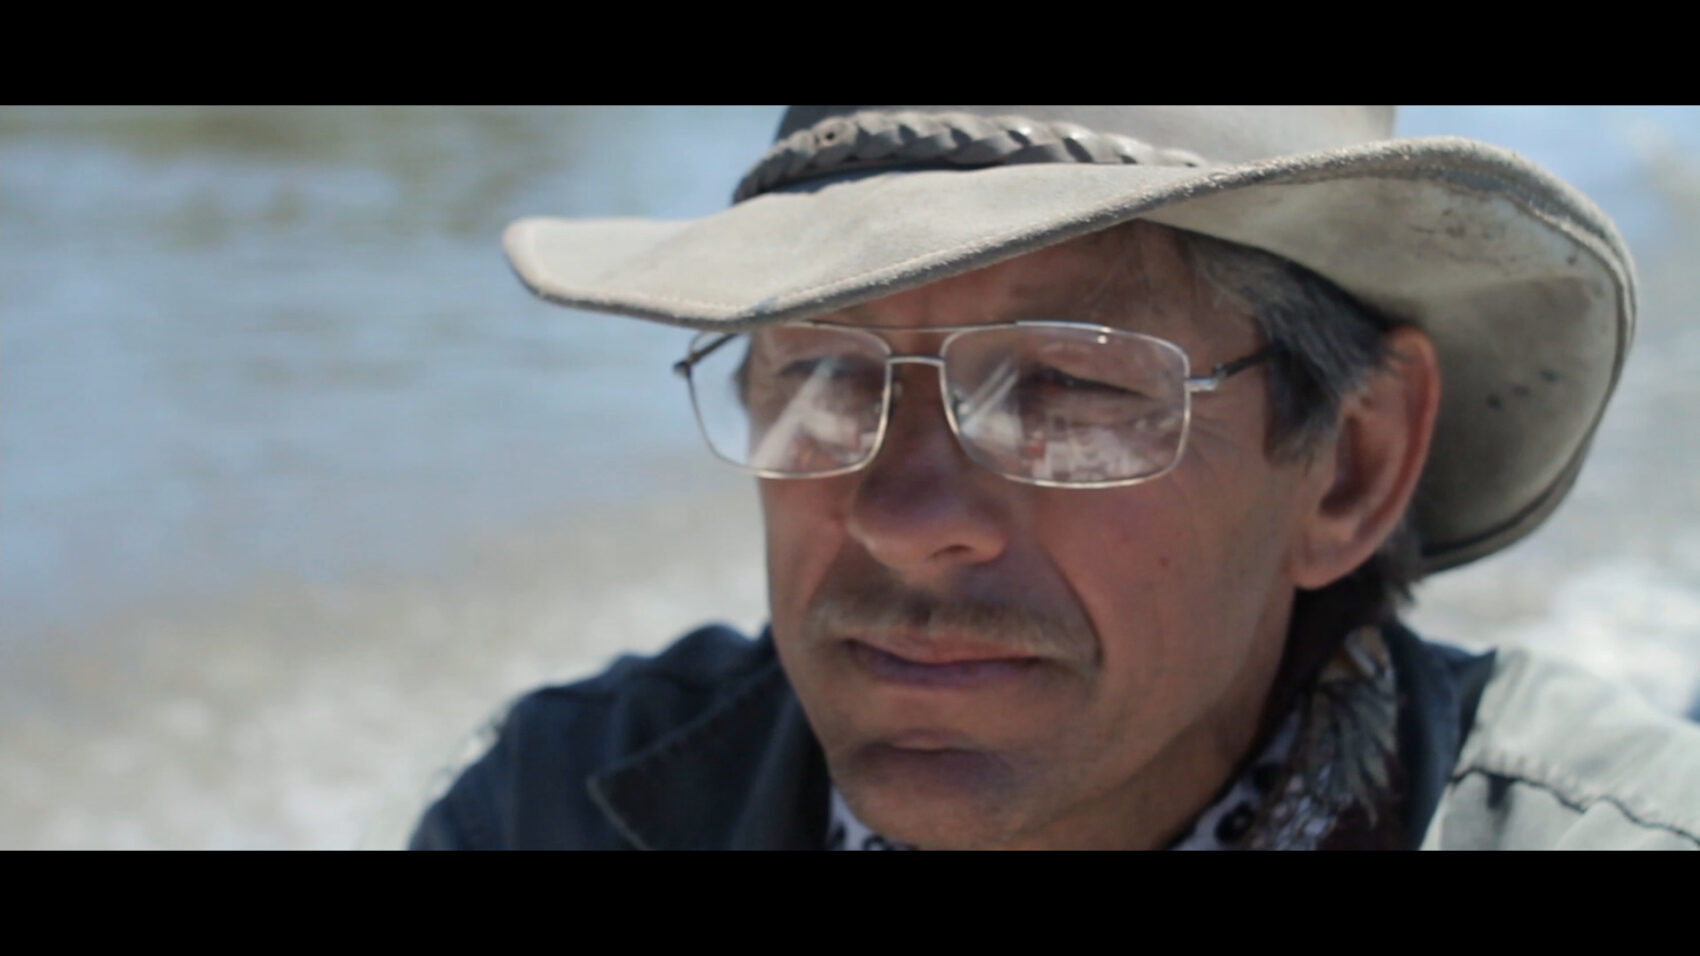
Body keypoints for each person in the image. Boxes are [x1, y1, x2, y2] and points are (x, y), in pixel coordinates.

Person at [407, 106, 1700, 850]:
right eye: (824, 376)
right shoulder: (553, 812)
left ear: (1350, 467)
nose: (903, 519)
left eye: (1064, 389)